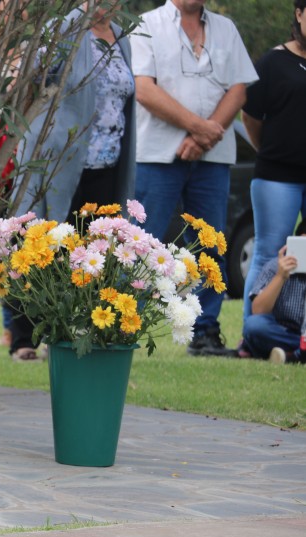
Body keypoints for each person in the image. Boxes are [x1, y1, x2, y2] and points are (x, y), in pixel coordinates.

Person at [8, 1, 136, 361]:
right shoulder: (65, 28)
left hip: (107, 165)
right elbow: (33, 73)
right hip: (63, 158)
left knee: (89, 253)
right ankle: (24, 339)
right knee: (43, 242)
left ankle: (72, 332)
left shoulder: (122, 37)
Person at [129, 0, 257, 357]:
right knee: (142, 242)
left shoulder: (225, 28)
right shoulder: (145, 24)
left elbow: (239, 90)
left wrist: (203, 137)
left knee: (210, 244)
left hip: (212, 155)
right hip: (156, 154)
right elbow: (145, 89)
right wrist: (198, 128)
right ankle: (126, 325)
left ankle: (204, 332)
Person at [240, 0, 306, 326]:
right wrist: (269, 149)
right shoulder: (272, 62)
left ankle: (299, 329)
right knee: (269, 253)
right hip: (277, 177)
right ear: (299, 13)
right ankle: (251, 333)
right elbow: (250, 116)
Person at [241, 241, 306, 364]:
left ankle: (290, 355)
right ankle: (299, 352)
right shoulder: (275, 266)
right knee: (254, 326)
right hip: (284, 332)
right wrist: (280, 276)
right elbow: (258, 310)